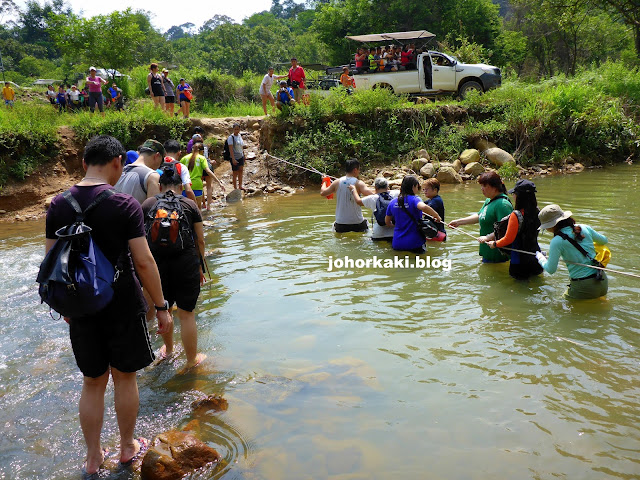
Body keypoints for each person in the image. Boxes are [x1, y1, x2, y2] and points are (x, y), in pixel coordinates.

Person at [44, 135, 171, 476]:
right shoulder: (124, 205)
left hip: (80, 306)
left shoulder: (58, 204)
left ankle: (92, 457)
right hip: (121, 303)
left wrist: (68, 308)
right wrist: (161, 306)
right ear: (117, 162)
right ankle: (128, 447)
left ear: (84, 163)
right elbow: (143, 262)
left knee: (92, 381)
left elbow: (50, 262)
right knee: (125, 377)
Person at [141, 167, 207, 369]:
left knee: (164, 308)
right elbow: (200, 240)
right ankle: (191, 361)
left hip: (157, 266)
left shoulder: (148, 204)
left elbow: (141, 240)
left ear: (160, 186)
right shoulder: (189, 204)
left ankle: (168, 351)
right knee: (186, 313)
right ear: (180, 186)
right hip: (186, 263)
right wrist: (200, 267)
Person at [536, 204, 609, 299]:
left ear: (552, 225)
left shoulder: (557, 241)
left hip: (583, 286)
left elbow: (551, 269)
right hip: (602, 280)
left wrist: (540, 257)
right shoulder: (584, 227)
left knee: (559, 307)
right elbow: (604, 240)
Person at [480, 179, 543, 279]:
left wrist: (495, 244)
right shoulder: (538, 212)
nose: (513, 196)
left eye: (514, 193)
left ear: (519, 196)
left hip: (519, 261)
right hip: (536, 256)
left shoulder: (516, 215)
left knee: (520, 288)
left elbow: (508, 239)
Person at [449, 171, 513, 263]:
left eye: (484, 186)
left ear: (494, 187)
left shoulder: (502, 205)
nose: (482, 189)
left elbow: (506, 229)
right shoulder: (489, 200)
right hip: (487, 252)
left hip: (497, 256)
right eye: (481, 186)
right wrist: (459, 222)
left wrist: (488, 237)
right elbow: (480, 216)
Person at [385, 176, 442, 253]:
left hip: (397, 243)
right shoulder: (415, 199)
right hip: (415, 243)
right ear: (413, 187)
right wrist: (437, 216)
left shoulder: (393, 202)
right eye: (417, 186)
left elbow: (387, 222)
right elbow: (424, 207)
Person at [320, 158, 375, 233]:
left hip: (341, 224)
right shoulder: (358, 183)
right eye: (359, 170)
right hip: (357, 223)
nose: (359, 172)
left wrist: (324, 181)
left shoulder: (337, 182)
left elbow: (323, 192)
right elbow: (372, 194)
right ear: (355, 170)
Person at [114, 139, 163, 204]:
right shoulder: (152, 176)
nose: (160, 165)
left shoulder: (120, 171)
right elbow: (153, 209)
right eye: (162, 161)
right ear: (157, 156)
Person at [181, 141, 222, 209]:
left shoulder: (184, 158)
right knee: (198, 208)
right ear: (202, 151)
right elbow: (208, 171)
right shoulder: (202, 158)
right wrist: (218, 182)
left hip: (185, 185)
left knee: (186, 208)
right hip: (197, 185)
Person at [227, 124, 248, 191]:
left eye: (238, 129)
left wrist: (244, 155)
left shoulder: (239, 136)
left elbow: (241, 146)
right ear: (233, 129)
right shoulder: (231, 137)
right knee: (235, 172)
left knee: (241, 171)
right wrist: (233, 159)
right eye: (235, 129)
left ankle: (240, 186)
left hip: (240, 156)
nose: (236, 131)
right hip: (234, 157)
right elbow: (230, 149)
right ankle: (235, 188)